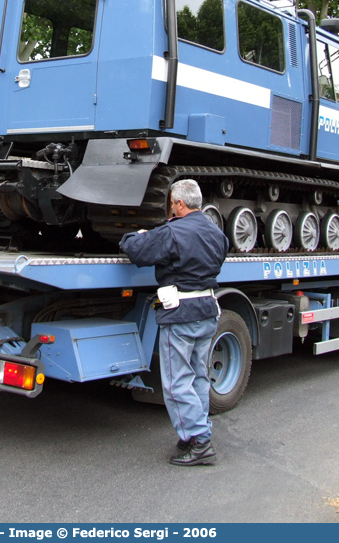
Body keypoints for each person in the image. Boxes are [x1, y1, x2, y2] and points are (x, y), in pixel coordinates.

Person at [119, 179, 229, 466]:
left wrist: (137, 234)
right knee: (199, 377)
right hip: (207, 309)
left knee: (177, 381)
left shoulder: (173, 231)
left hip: (181, 314)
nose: (171, 207)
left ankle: (200, 442)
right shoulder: (217, 232)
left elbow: (136, 250)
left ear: (180, 203)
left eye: (171, 203)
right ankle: (194, 435)